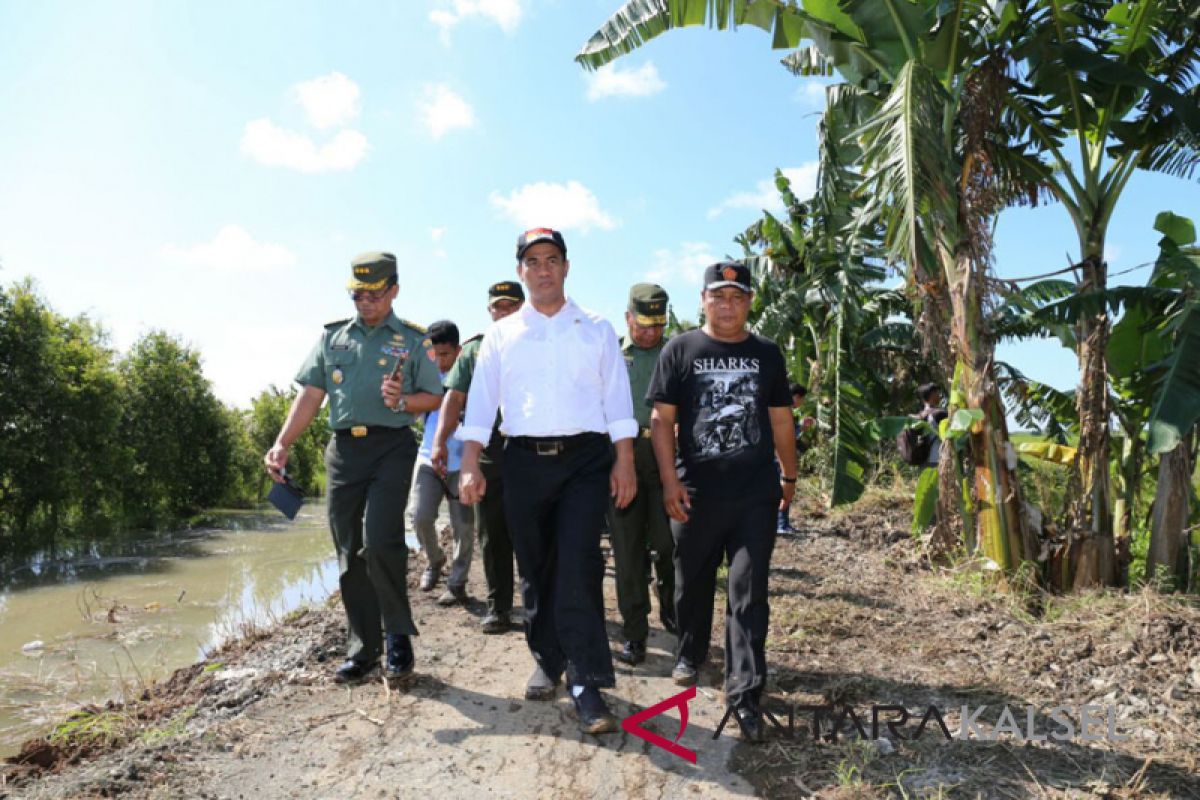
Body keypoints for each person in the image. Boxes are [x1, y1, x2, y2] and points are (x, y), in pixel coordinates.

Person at [458, 227, 637, 735]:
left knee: (578, 563)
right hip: (523, 461)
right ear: (521, 271)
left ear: (565, 266)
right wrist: (470, 461)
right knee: (535, 568)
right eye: (532, 261)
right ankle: (547, 656)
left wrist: (624, 460)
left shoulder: (596, 328)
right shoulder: (501, 334)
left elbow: (618, 400)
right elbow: (481, 404)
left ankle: (586, 683)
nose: (542, 269)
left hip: (585, 460)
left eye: (551, 259)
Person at [263, 252, 444, 683]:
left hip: (392, 448)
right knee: (348, 553)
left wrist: (401, 400)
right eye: (358, 293)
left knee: (380, 542)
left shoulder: (414, 341)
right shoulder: (332, 338)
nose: (364, 301)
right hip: (343, 453)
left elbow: (434, 398)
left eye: (374, 293)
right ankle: (363, 648)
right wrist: (282, 443)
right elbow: (310, 395)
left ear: (394, 291)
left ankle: (398, 635)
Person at [647, 260, 797, 742]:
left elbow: (780, 422)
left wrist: (789, 476)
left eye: (737, 296)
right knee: (691, 583)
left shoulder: (767, 354)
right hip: (695, 495)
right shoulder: (681, 348)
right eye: (719, 296)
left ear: (750, 301)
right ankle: (691, 651)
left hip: (754, 495)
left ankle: (745, 694)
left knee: (748, 592)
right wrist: (670, 483)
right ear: (703, 300)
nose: (727, 305)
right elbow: (661, 422)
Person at [431, 281, 525, 634]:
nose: (504, 313)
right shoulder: (474, 352)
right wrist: (440, 442)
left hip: (533, 453)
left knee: (533, 532)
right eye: (498, 307)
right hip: (490, 453)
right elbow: (453, 399)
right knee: (492, 532)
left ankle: (538, 606)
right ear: (490, 311)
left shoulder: (540, 342)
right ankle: (499, 607)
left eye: (511, 306)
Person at [610, 283, 677, 667]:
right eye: (643, 324)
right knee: (627, 550)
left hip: (668, 456)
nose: (650, 333)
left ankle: (670, 607)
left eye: (658, 324)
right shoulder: (614, 356)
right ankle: (634, 631)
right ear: (628, 318)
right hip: (624, 456)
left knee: (669, 544)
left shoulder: (678, 351)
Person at [411, 320, 476, 607]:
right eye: (434, 355)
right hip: (428, 458)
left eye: (446, 355)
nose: (440, 361)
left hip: (462, 463)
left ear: (459, 351)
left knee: (463, 525)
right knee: (420, 516)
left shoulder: (474, 379)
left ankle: (457, 581)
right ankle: (434, 560)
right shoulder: (424, 379)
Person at [777, 382, 814, 534]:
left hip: (775, 457)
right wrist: (801, 428)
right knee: (786, 490)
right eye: (802, 399)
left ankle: (780, 524)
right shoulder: (784, 411)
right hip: (779, 458)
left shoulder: (781, 409)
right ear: (797, 397)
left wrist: (800, 428)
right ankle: (781, 524)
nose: (802, 403)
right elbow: (787, 435)